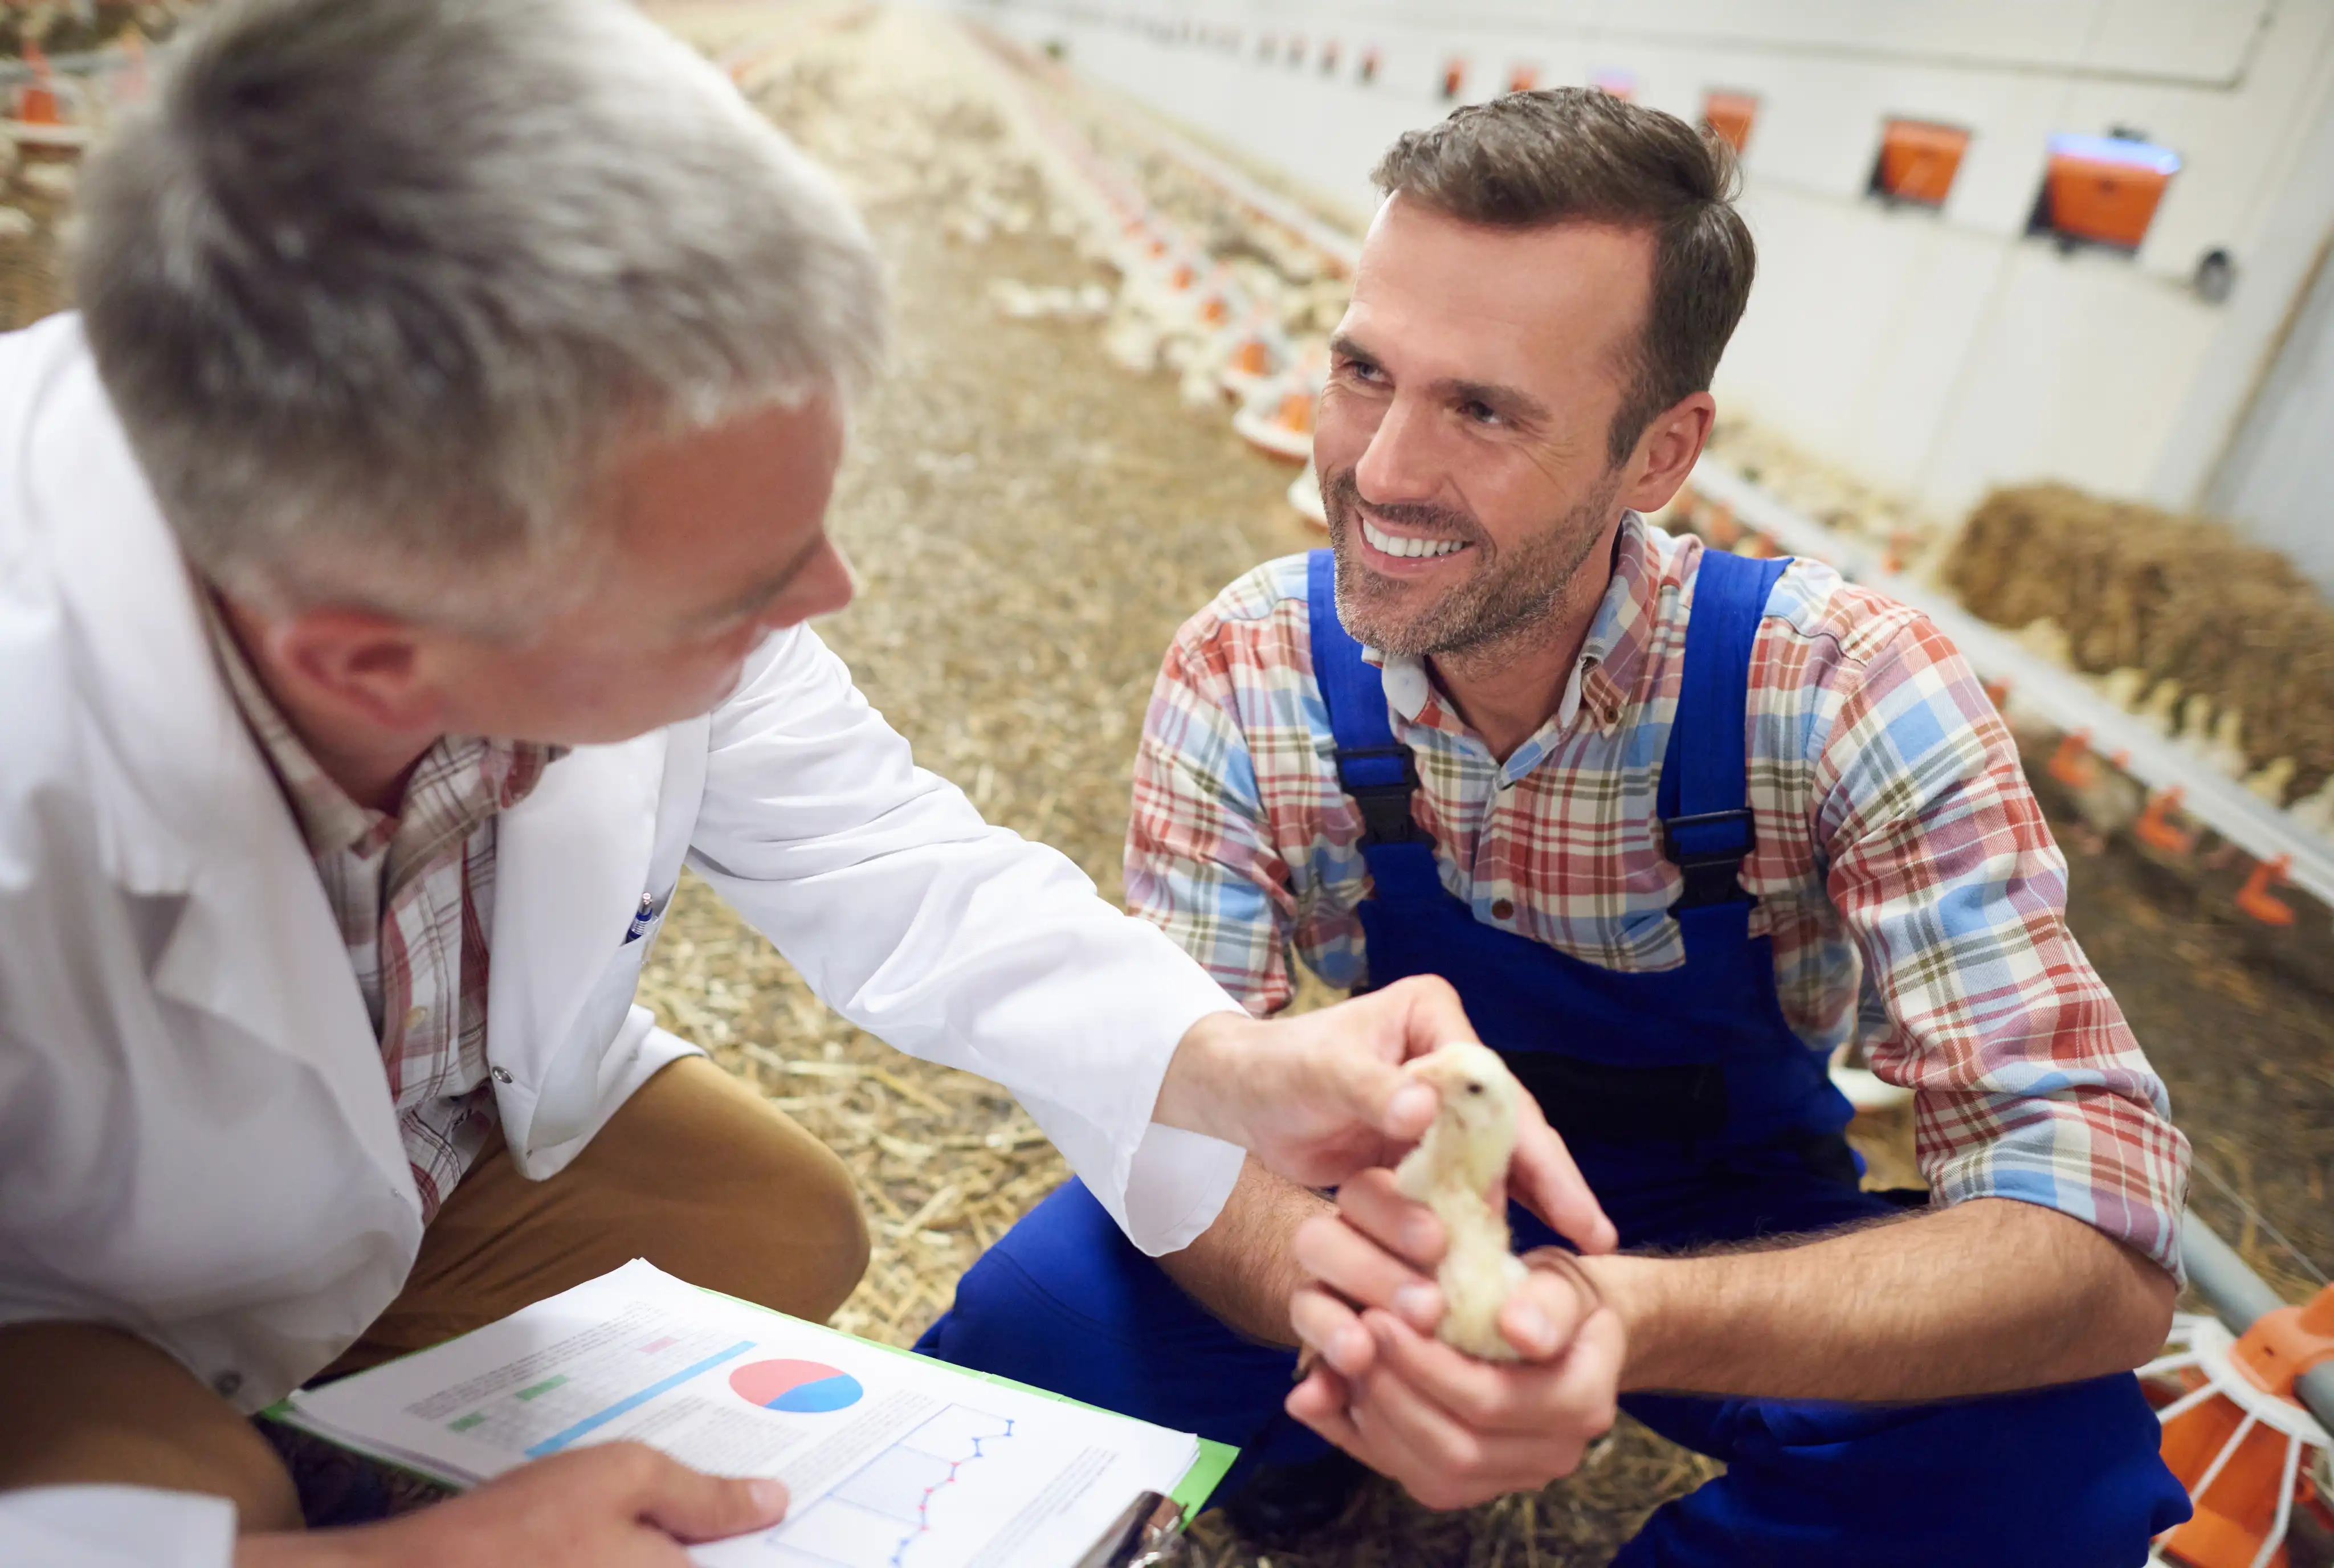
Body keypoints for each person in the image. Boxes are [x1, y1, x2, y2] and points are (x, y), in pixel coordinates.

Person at [0, 4, 1580, 1564]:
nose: (822, 594)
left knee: (773, 1226)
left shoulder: (509, 516)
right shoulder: (35, 755)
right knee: (207, 1518)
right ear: (368, 660)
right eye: (732, 593)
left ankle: (334, 1406)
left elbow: (890, 855)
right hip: (64, 1278)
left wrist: (1233, 1066)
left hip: (401, 1139)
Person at [918, 89, 2197, 1565]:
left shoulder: (1841, 688)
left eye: (1484, 409)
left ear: (1659, 453)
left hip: (1725, 1218)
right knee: (1028, 1340)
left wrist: (1604, 1312)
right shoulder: (1251, 667)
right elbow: (1176, 1094)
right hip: (1380, 1185)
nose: (1382, 470)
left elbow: (2098, 1243)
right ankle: (1309, 1438)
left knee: (2050, 1474)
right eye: (1362, 371)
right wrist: (1378, 1307)